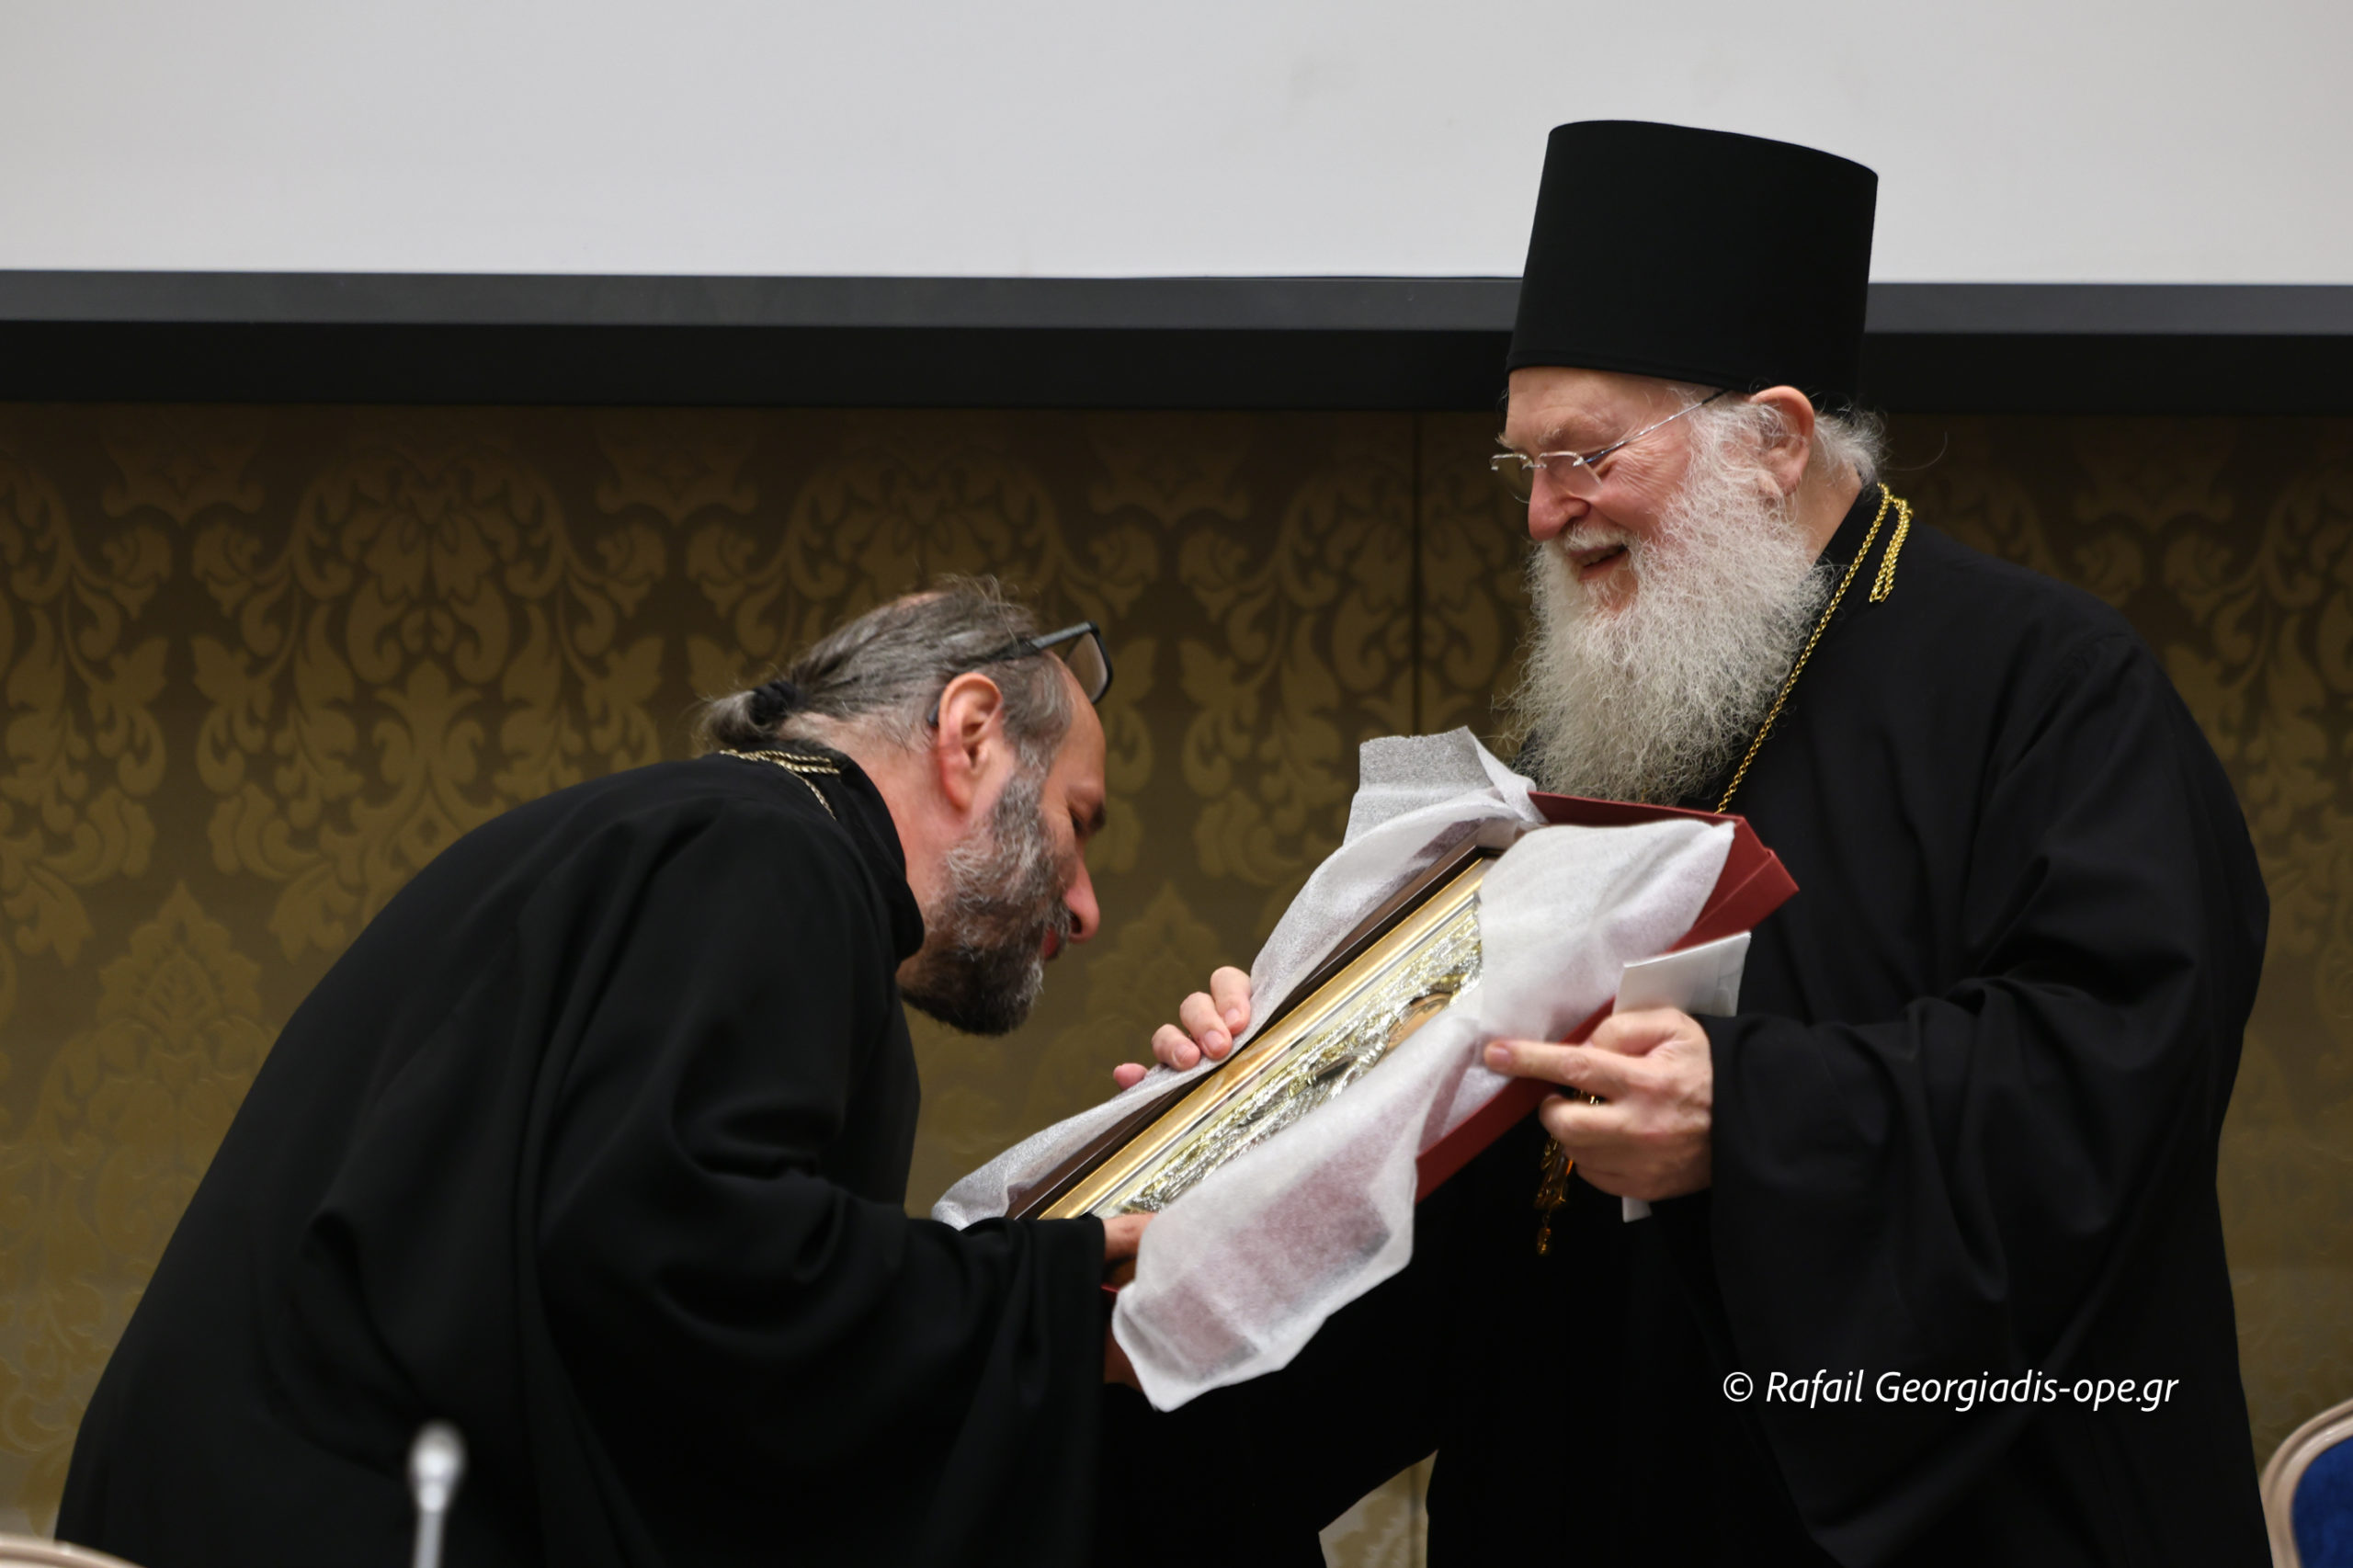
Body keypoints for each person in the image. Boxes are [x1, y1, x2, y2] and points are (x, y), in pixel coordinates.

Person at [1106, 121, 2271, 1566]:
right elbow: (1489, 1170)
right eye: (1524, 465)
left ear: (1773, 440)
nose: (1544, 513)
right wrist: (1279, 1104)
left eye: (1586, 455)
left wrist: (1755, 1117)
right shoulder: (1616, 730)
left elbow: (2115, 1073)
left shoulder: (2051, 690)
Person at [60, 580, 1149, 1568]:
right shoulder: (772, 857)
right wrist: (1056, 1291)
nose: (1085, 904)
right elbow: (691, 1258)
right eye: (1078, 819)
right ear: (970, 734)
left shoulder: (685, 827)